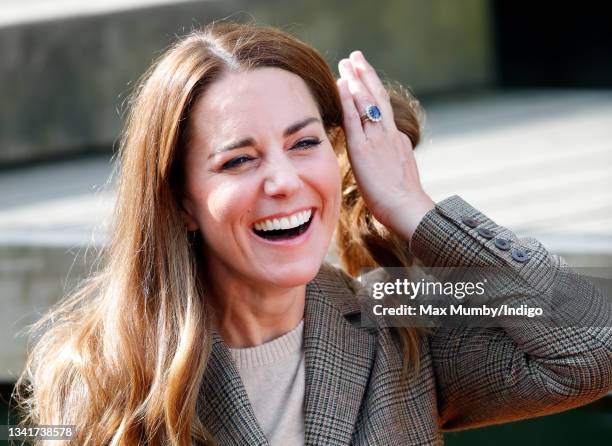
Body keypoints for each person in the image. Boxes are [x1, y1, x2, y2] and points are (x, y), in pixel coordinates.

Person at [14, 22, 611, 445]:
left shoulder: (397, 318)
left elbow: (595, 342)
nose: (284, 181)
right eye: (238, 160)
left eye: (305, 144)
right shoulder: (94, 371)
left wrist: (416, 209)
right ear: (182, 203)